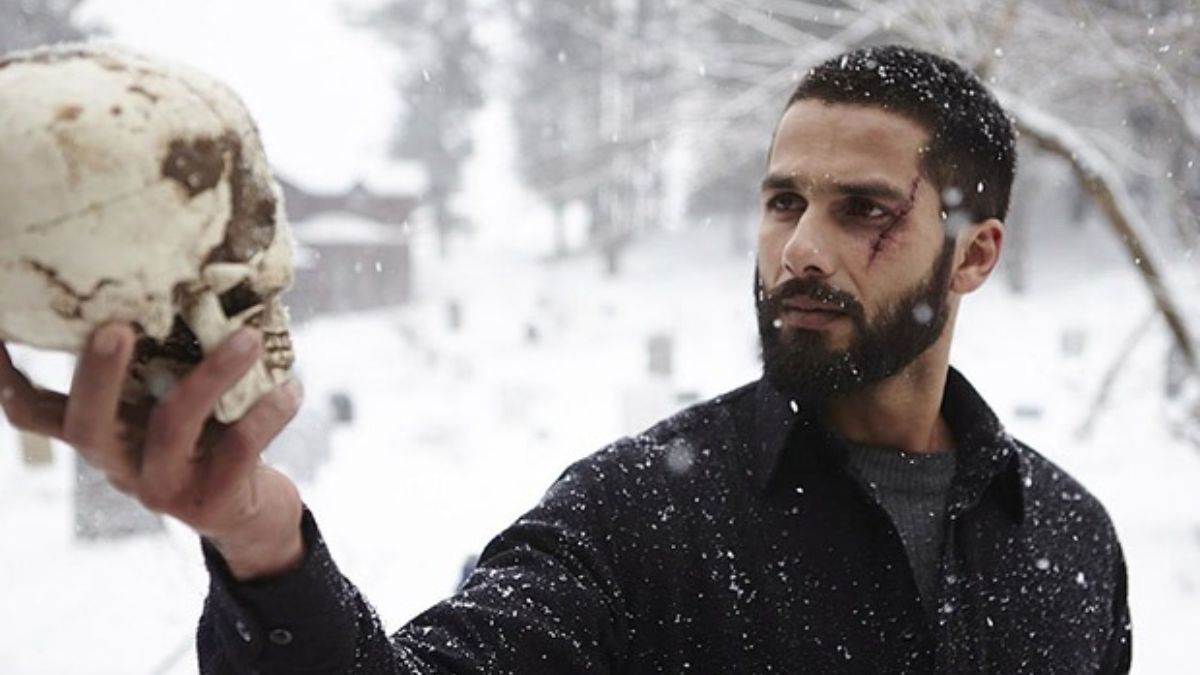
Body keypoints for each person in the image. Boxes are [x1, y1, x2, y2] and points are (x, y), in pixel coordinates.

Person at [0, 45, 1131, 674]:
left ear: (975, 255)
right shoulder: (643, 513)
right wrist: (260, 544)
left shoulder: (1071, 539)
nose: (798, 247)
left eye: (862, 209)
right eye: (782, 198)